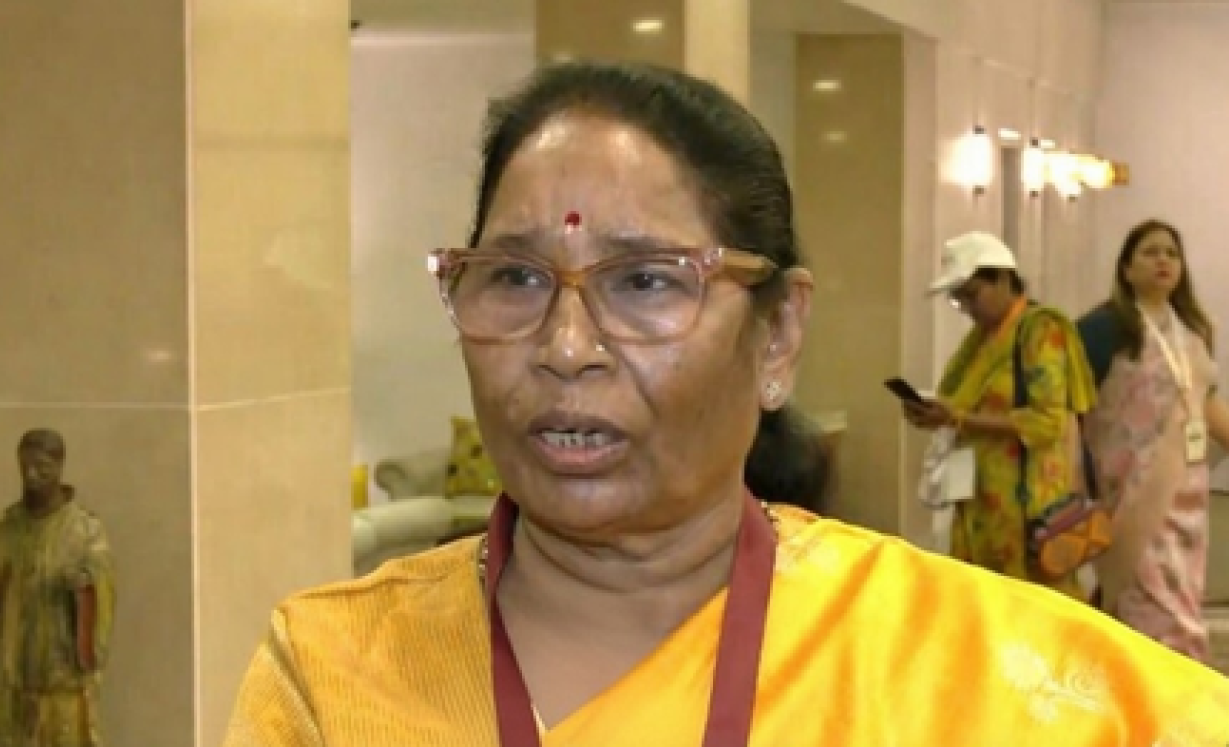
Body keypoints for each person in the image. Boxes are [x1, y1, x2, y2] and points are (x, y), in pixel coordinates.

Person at [224, 62, 1229, 746]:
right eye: (515, 278)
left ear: (778, 335)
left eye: (645, 281)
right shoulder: (337, 672)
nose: (565, 348)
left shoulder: (965, 670)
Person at [902, 232, 1099, 598]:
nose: (968, 308)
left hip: (1027, 509)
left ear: (1004, 279)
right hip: (980, 501)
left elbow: (1047, 422)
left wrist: (959, 418)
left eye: (972, 295)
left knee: (1031, 608)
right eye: (958, 300)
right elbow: (961, 404)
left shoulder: (1040, 331)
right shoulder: (981, 340)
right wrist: (934, 414)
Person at [1078, 219, 1229, 662]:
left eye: (1171, 253)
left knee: (1180, 603)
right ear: (1126, 268)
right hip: (1129, 495)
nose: (1163, 260)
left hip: (1185, 500)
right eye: (1150, 252)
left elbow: (1206, 405)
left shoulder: (1192, 335)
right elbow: (1071, 406)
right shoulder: (1104, 329)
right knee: (1143, 606)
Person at [0, 429, 115, 747]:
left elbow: (103, 583)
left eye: (42, 468)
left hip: (61, 673)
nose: (32, 476)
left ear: (59, 467)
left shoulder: (84, 530)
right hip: (12, 668)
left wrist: (86, 583)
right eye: (26, 467)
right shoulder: (7, 527)